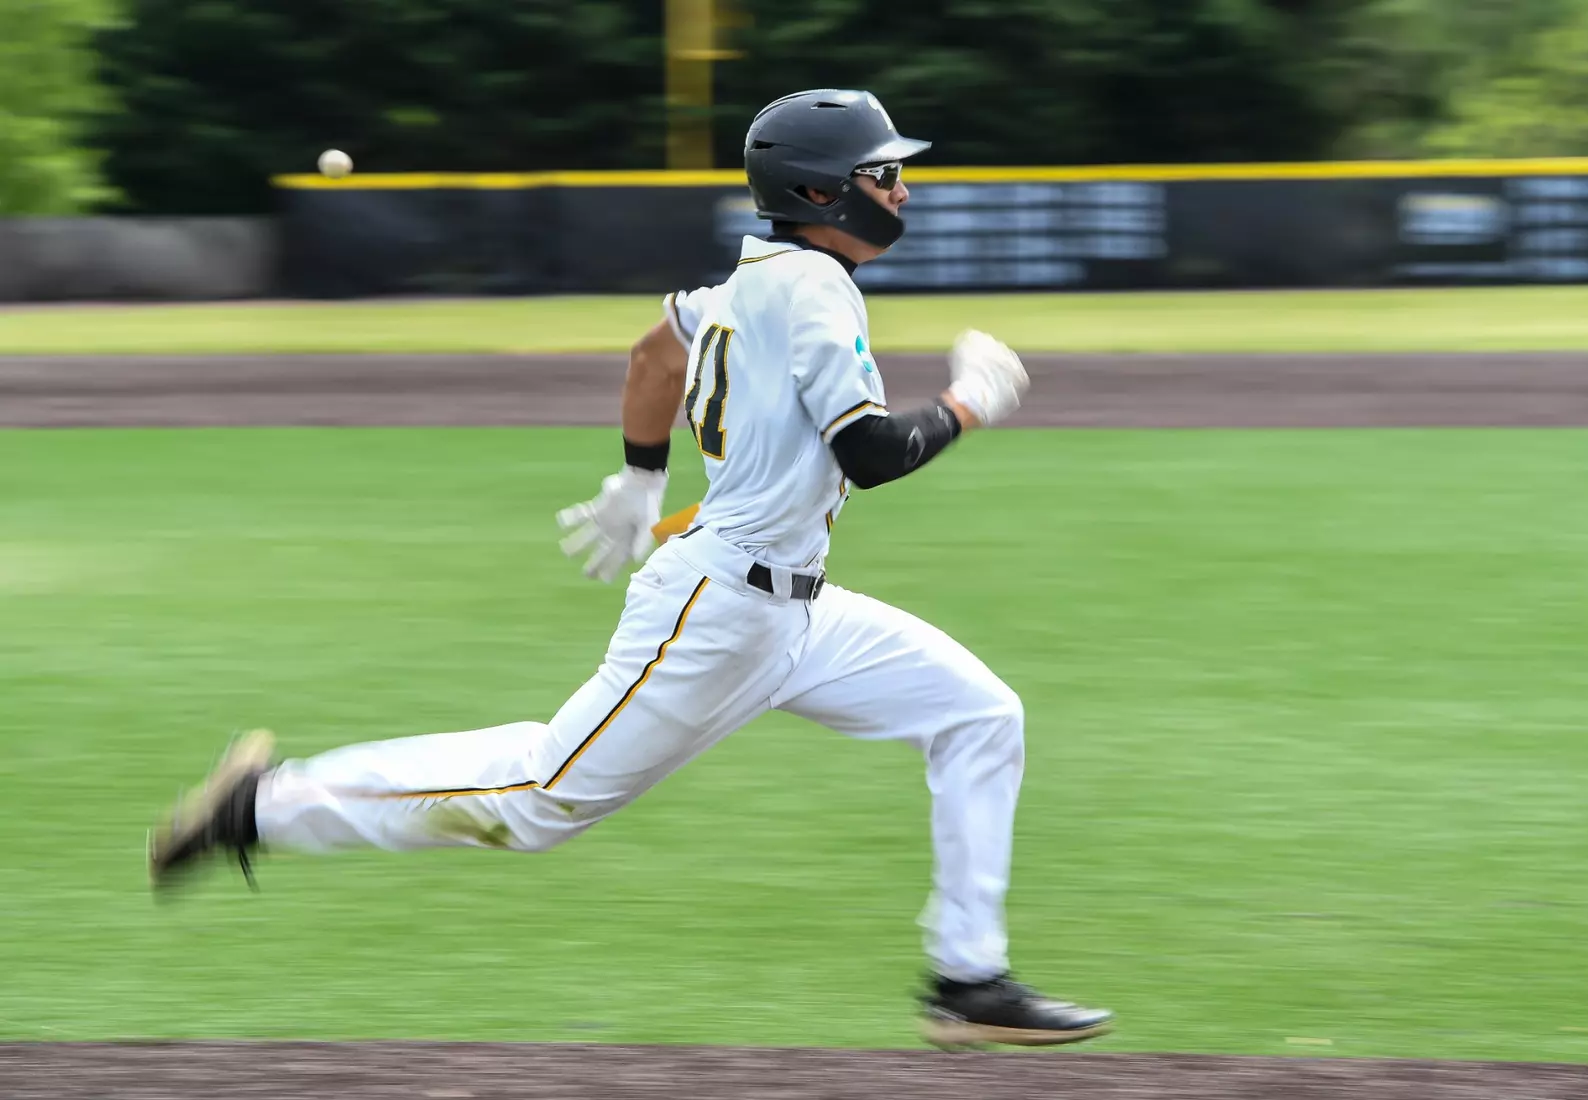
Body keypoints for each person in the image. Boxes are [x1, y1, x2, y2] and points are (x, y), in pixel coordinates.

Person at [148, 88, 1113, 1049]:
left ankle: (968, 978)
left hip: (798, 614)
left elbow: (656, 350)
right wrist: (970, 402)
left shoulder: (745, 282)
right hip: (721, 614)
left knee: (980, 715)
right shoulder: (816, 289)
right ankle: (262, 807)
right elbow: (870, 454)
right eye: (884, 173)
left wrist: (639, 479)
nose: (902, 190)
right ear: (822, 192)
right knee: (538, 800)